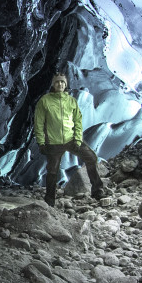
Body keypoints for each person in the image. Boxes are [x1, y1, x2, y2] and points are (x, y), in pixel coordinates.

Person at [32, 72, 105, 206]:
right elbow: (39, 123)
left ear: (66, 84)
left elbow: (77, 121)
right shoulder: (45, 101)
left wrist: (77, 139)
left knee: (91, 157)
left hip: (71, 139)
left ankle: (97, 190)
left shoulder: (71, 100)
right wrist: (41, 142)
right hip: (53, 142)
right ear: (53, 84)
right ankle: (49, 201)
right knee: (52, 170)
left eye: (62, 82)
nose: (60, 84)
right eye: (57, 82)